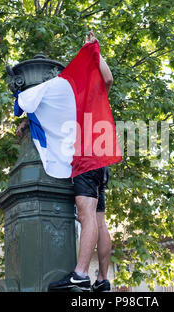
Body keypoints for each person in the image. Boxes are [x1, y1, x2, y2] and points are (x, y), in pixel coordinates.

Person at [15, 31, 119, 292]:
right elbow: (109, 77)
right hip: (101, 154)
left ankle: (80, 275)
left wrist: (93, 50)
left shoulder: (72, 92)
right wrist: (96, 53)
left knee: (86, 216)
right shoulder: (94, 92)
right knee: (99, 220)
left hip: (85, 157)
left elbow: (50, 112)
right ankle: (103, 279)